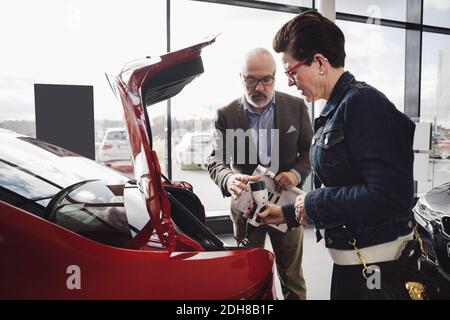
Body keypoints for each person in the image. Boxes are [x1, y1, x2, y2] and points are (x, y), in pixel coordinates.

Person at [255, 10, 416, 300]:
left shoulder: (363, 104)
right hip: (353, 262)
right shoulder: (333, 110)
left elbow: (391, 194)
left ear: (319, 62)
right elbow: (345, 185)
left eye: (291, 71)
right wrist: (289, 213)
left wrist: (313, 202)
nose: (290, 82)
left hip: (377, 269)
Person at [207, 48, 313, 300]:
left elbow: (311, 153)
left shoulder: (297, 106)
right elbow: (215, 160)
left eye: (266, 79)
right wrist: (229, 178)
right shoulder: (225, 114)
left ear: (275, 77)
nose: (259, 86)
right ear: (241, 78)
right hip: (245, 211)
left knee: (292, 279)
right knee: (247, 281)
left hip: (287, 207)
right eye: (252, 79)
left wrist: (296, 174)